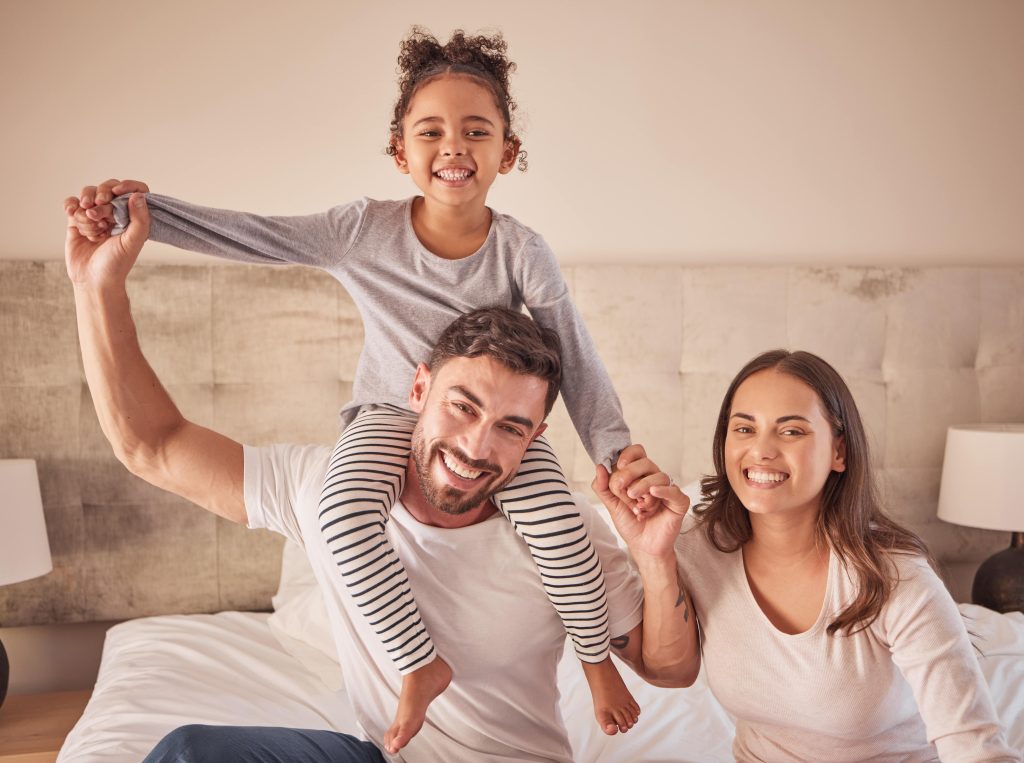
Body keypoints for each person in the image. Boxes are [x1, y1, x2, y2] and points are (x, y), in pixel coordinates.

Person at [67, 28, 639, 752]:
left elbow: (573, 355)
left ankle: (594, 664)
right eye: (430, 131)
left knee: (563, 526)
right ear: (401, 153)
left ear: (508, 154)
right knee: (340, 510)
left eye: (477, 131)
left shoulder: (522, 248)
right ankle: (417, 663)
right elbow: (252, 236)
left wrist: (613, 453)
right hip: (388, 415)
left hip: (494, 422)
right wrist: (135, 218)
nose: (454, 146)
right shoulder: (363, 230)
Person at [606, 349, 1020, 762]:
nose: (762, 450)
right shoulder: (699, 546)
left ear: (839, 452)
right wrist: (655, 558)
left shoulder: (894, 576)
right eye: (744, 429)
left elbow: (975, 747)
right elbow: (670, 673)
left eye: (791, 432)